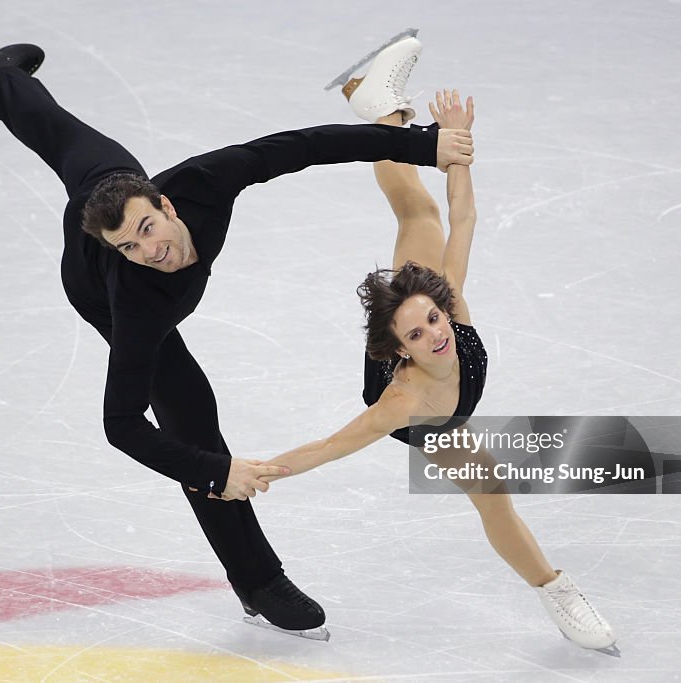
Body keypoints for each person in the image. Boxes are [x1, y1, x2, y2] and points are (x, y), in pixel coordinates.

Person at [0, 43, 474, 638]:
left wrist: (421, 145)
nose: (151, 252)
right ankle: (258, 579)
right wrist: (214, 472)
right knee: (192, 414)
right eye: (131, 247)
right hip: (94, 291)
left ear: (165, 203)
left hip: (107, 184)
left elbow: (303, 148)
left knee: (65, 138)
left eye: (148, 229)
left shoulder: (200, 184)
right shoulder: (135, 301)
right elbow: (121, 422)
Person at [261, 37, 619, 655]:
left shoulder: (446, 306)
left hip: (426, 327)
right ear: (401, 347)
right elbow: (328, 447)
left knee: (422, 215)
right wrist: (254, 472)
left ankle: (378, 112)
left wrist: (453, 146)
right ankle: (556, 589)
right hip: (434, 416)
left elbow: (466, 218)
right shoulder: (402, 405)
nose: (436, 335)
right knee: (492, 494)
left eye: (432, 318)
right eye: (418, 333)